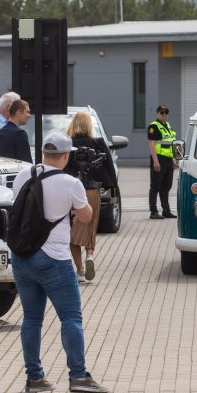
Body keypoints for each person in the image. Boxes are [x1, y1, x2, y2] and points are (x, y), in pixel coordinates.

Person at [10, 131, 108, 393]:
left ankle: (34, 379)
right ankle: (78, 377)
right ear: (65, 156)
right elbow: (87, 216)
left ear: (43, 153)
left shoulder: (23, 175)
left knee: (31, 319)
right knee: (71, 318)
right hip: (54, 259)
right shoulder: (70, 182)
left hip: (22, 257)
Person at [64, 110, 117, 282]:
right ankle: (90, 256)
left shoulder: (67, 144)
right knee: (90, 225)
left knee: (73, 229)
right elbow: (109, 166)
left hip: (71, 190)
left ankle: (79, 271)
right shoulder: (99, 143)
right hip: (93, 190)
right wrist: (112, 187)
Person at [147, 104, 176, 219]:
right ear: (157, 113)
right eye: (161, 112)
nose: (164, 115)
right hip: (158, 159)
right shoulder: (153, 126)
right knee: (155, 186)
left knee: (166, 187)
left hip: (168, 160)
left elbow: (171, 144)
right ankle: (153, 212)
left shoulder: (168, 126)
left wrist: (173, 159)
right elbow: (151, 144)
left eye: (166, 113)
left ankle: (166, 211)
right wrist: (155, 161)